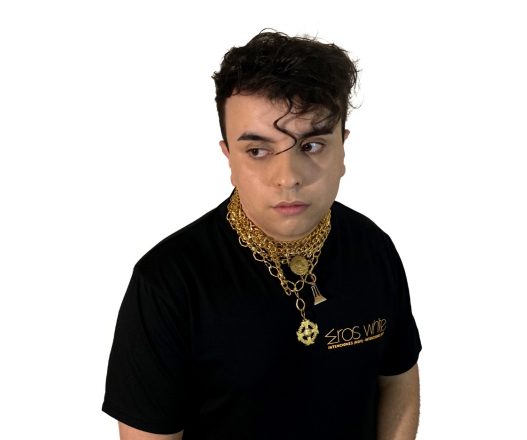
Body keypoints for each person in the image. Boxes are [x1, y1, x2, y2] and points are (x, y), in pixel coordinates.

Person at [102, 30, 422, 440]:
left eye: (311, 146)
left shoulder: (373, 247)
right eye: (258, 151)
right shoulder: (168, 281)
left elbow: (397, 382)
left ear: (342, 147)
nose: (287, 178)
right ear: (229, 157)